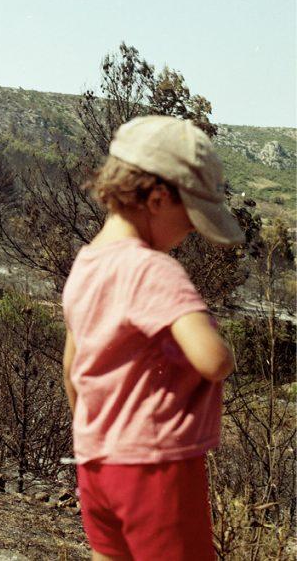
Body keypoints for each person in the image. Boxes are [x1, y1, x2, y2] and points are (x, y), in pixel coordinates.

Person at [62, 115, 244, 561]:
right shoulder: (153, 270)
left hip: (96, 464)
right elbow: (212, 360)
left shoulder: (86, 264)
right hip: (157, 467)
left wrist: (100, 434)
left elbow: (72, 367)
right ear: (160, 198)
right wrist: (222, 344)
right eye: (192, 219)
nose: (191, 233)